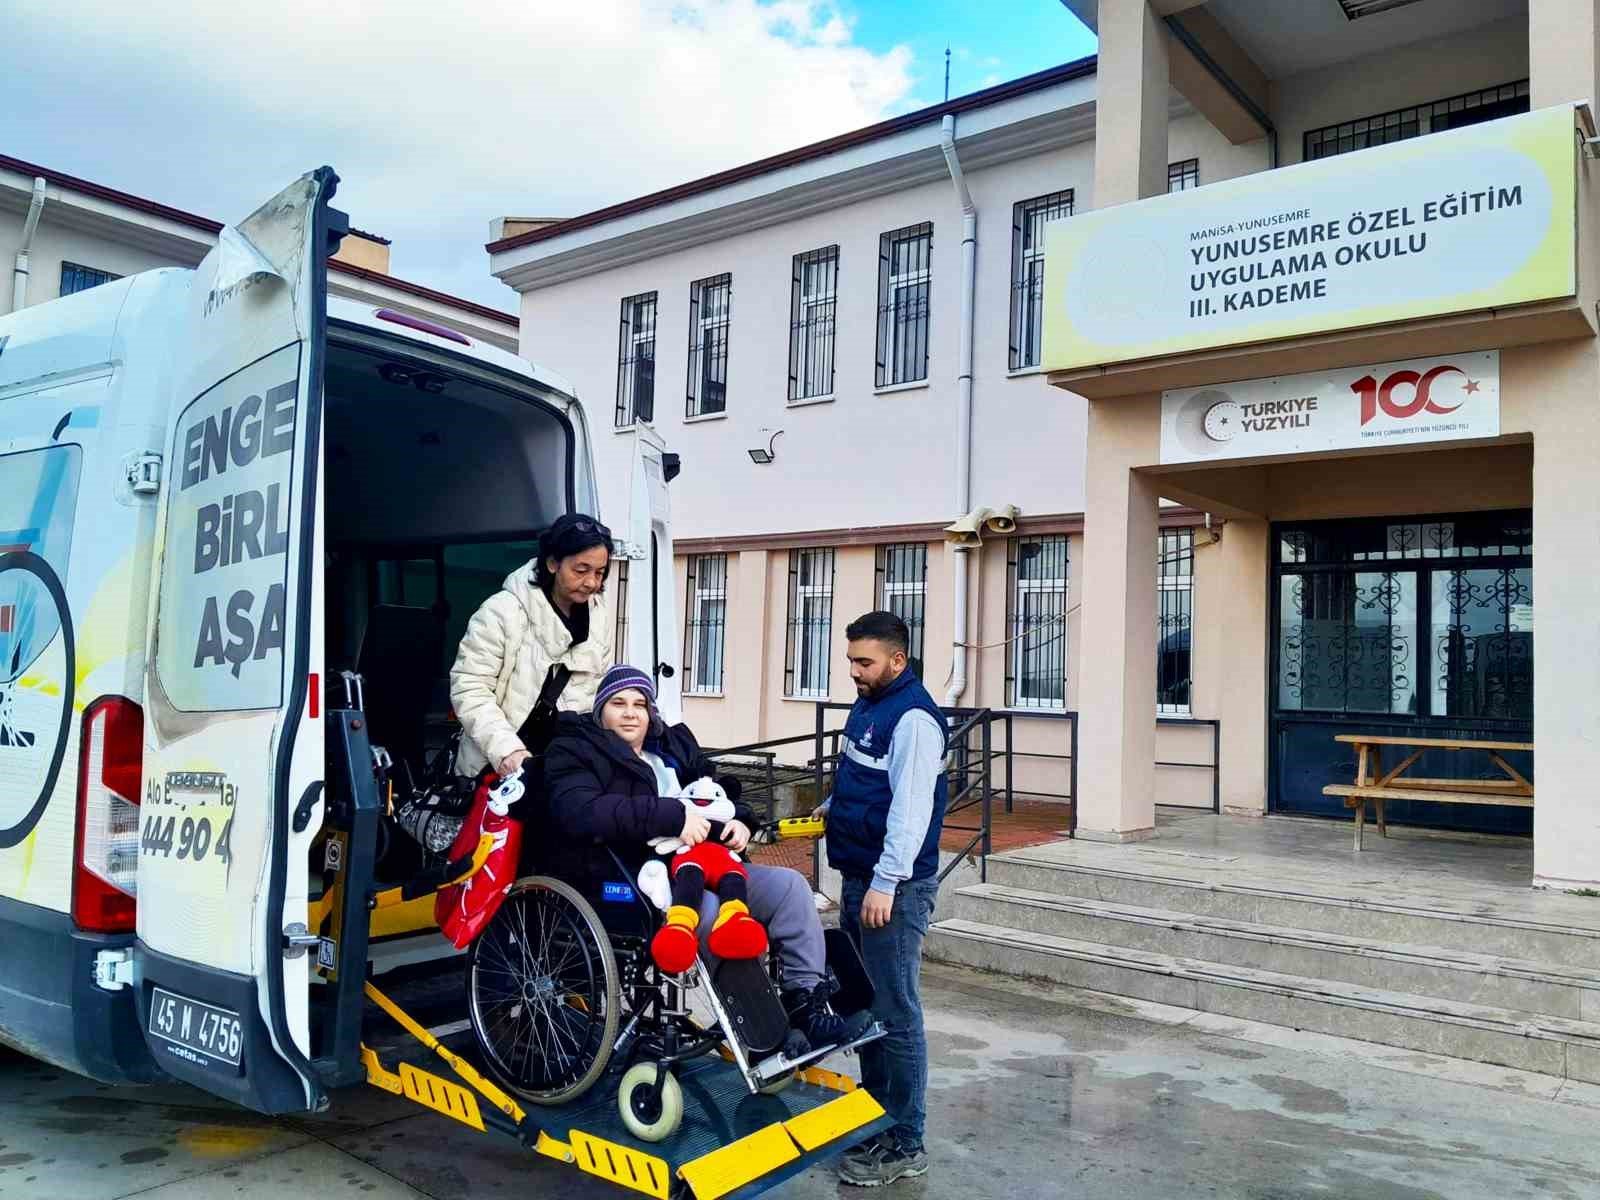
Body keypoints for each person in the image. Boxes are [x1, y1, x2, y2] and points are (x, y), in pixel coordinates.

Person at [543, 664, 871, 1050]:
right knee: (712, 912)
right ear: (601, 712)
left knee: (790, 887)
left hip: (708, 861)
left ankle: (805, 1006)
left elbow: (716, 793)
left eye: (640, 704)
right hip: (636, 877)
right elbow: (581, 812)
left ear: (652, 713)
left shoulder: (671, 749)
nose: (631, 712)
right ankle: (763, 1031)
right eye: (618, 703)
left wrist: (742, 821)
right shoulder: (576, 750)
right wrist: (672, 816)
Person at [824, 611, 947, 1188]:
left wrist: (886, 882)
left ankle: (905, 1140)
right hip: (859, 876)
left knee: (896, 1013)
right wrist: (832, 810)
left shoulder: (914, 719)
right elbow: (860, 778)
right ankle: (873, 1122)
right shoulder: (870, 703)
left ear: (897, 660)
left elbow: (911, 810)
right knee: (866, 1009)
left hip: (892, 889)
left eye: (864, 662)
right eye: (851, 660)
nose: (854, 671)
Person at [450, 513, 616, 781]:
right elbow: (469, 688)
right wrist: (507, 752)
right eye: (581, 570)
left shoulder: (599, 617)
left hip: (563, 770)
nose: (592, 583)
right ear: (552, 563)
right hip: (495, 767)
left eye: (600, 573)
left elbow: (596, 695)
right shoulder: (501, 611)